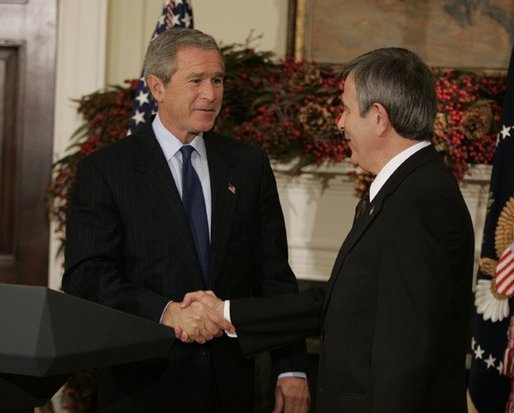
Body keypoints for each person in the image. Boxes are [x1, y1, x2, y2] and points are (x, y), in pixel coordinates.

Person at [181, 47, 475, 412]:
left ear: (379, 118)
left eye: (346, 109)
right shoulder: (404, 190)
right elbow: (340, 303)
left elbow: (406, 356)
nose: (340, 123)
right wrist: (227, 313)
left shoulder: (420, 204)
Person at [62, 28, 310, 413]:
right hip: (143, 388)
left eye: (217, 80)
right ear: (157, 87)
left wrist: (291, 369)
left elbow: (274, 276)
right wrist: (166, 311)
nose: (211, 94)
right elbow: (86, 275)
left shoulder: (248, 166)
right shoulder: (107, 169)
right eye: (196, 80)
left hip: (229, 388)